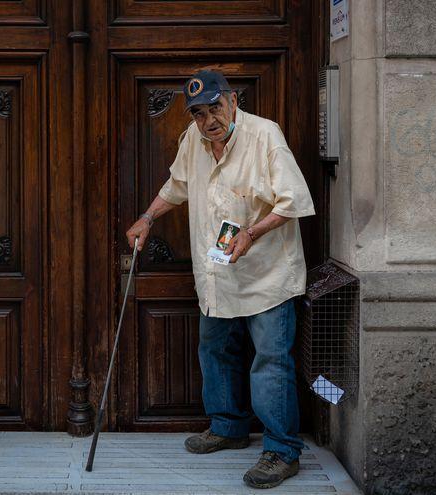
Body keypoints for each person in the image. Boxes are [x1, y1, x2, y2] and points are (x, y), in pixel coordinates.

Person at [125, 69, 315, 489]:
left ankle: (282, 451)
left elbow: (294, 201)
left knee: (269, 364)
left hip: (267, 276)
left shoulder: (266, 136)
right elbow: (177, 184)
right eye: (198, 112)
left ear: (232, 101)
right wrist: (147, 217)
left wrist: (251, 233)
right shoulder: (195, 140)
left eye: (214, 107)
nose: (208, 119)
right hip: (217, 274)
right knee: (215, 350)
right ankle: (228, 426)